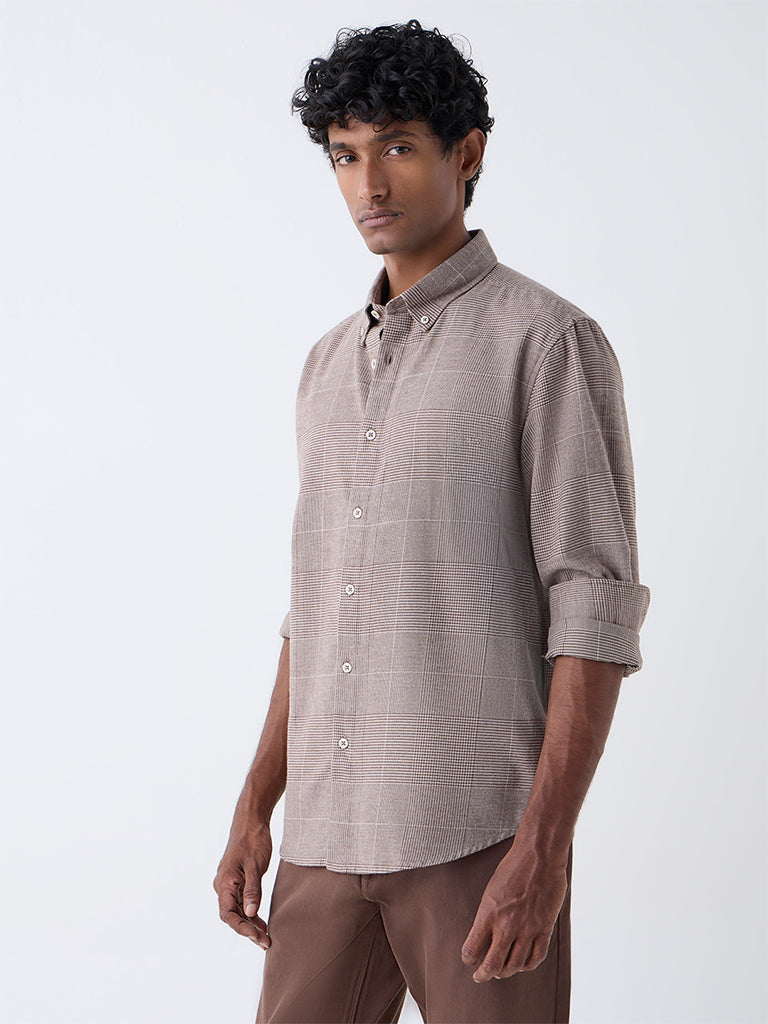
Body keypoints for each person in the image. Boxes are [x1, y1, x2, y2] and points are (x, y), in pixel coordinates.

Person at [213, 19, 651, 1024]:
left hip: (476, 837)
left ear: (467, 153)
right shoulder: (326, 365)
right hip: (325, 838)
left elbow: (592, 607)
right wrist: (256, 803)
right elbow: (316, 608)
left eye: (399, 147)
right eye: (345, 156)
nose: (369, 184)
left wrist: (543, 849)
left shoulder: (547, 341)